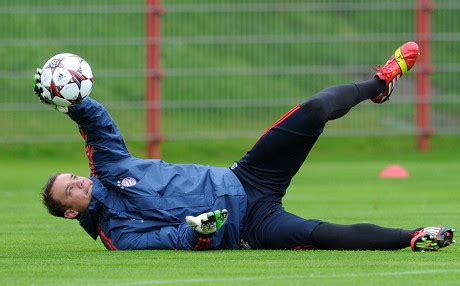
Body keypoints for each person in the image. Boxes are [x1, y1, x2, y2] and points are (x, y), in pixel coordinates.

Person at [34, 42, 455, 252]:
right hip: (249, 227)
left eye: (75, 177)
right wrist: (199, 231)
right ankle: (413, 236)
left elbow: (98, 128)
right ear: (72, 211)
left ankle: (378, 84)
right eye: (70, 190)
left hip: (245, 175)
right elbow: (168, 239)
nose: (80, 183)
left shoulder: (107, 168)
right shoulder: (118, 235)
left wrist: (73, 102)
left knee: (312, 110)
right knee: (323, 235)